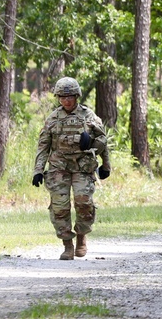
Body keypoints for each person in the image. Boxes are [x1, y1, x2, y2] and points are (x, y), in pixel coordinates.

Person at [32, 77, 111, 260]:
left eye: (70, 96)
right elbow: (43, 146)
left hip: (82, 166)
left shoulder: (88, 116)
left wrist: (103, 162)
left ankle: (81, 237)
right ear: (58, 98)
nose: (67, 100)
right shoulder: (52, 119)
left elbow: (103, 141)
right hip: (59, 166)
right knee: (59, 206)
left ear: (77, 96)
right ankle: (67, 245)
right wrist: (38, 170)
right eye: (63, 97)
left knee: (83, 201)